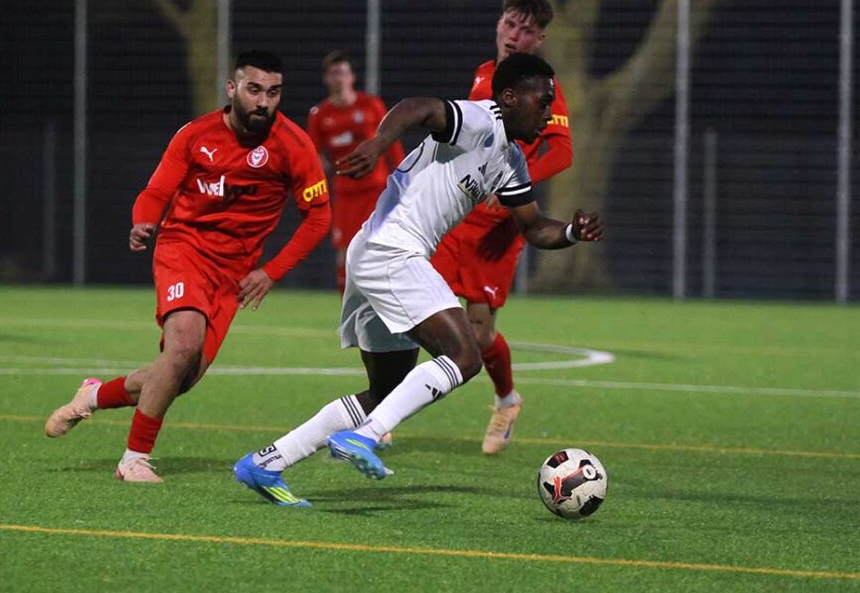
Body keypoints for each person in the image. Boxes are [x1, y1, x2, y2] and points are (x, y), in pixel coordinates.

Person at [233, 53, 603, 506]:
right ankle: (364, 437)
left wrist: (570, 232)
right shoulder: (479, 119)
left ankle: (266, 462)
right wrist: (377, 142)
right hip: (392, 250)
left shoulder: (509, 160)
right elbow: (419, 107)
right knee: (465, 356)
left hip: (375, 253)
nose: (548, 113)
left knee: (386, 390)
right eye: (542, 102)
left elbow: (532, 226)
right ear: (509, 98)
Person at [44, 50, 331, 483]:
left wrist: (272, 271)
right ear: (232, 89)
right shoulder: (196, 135)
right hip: (185, 251)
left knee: (181, 376)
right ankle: (133, 460)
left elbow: (320, 216)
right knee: (181, 348)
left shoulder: (293, 145)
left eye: (273, 92)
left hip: (234, 275)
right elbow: (156, 191)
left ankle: (94, 395)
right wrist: (144, 220)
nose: (264, 102)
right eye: (254, 90)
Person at [430, 0, 572, 455]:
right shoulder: (482, 76)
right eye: (510, 24)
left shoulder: (546, 90)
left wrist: (515, 186)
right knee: (416, 307)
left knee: (480, 333)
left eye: (527, 30)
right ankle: (386, 407)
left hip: (498, 228)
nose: (516, 35)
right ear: (498, 25)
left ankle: (507, 400)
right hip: (456, 215)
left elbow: (563, 152)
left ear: (540, 40)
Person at [306, 50, 404, 295]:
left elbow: (391, 144)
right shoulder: (320, 115)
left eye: (343, 73)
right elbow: (314, 156)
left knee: (382, 249)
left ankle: (388, 306)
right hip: (345, 193)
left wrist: (404, 178)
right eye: (333, 73)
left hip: (376, 190)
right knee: (345, 254)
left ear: (352, 77)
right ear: (326, 79)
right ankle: (349, 313)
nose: (339, 78)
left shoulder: (371, 106)